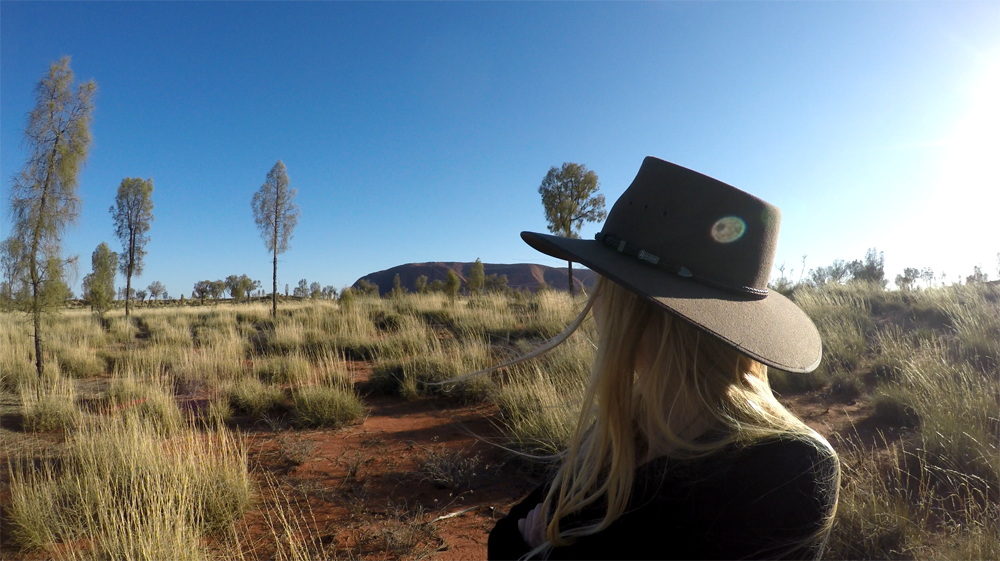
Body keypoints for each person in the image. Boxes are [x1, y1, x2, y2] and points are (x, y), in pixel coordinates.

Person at [484, 157, 840, 560]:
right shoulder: (631, 421)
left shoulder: (787, 471)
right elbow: (504, 538)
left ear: (629, 305)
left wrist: (537, 546)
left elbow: (518, 535)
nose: (594, 297)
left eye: (604, 280)